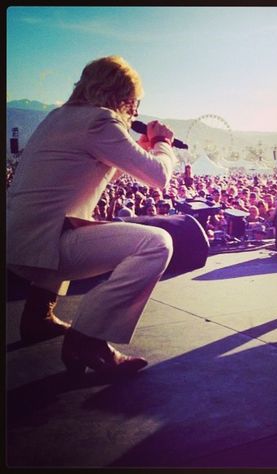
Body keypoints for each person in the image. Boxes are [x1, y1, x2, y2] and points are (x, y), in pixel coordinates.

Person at [7, 56, 178, 376]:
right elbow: (158, 176)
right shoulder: (100, 120)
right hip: (45, 244)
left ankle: (37, 317)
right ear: (119, 95)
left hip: (22, 240)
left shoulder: (61, 117)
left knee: (74, 220)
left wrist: (136, 147)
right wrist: (162, 144)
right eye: (134, 102)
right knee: (157, 244)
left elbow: (90, 171)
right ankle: (88, 337)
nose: (136, 112)